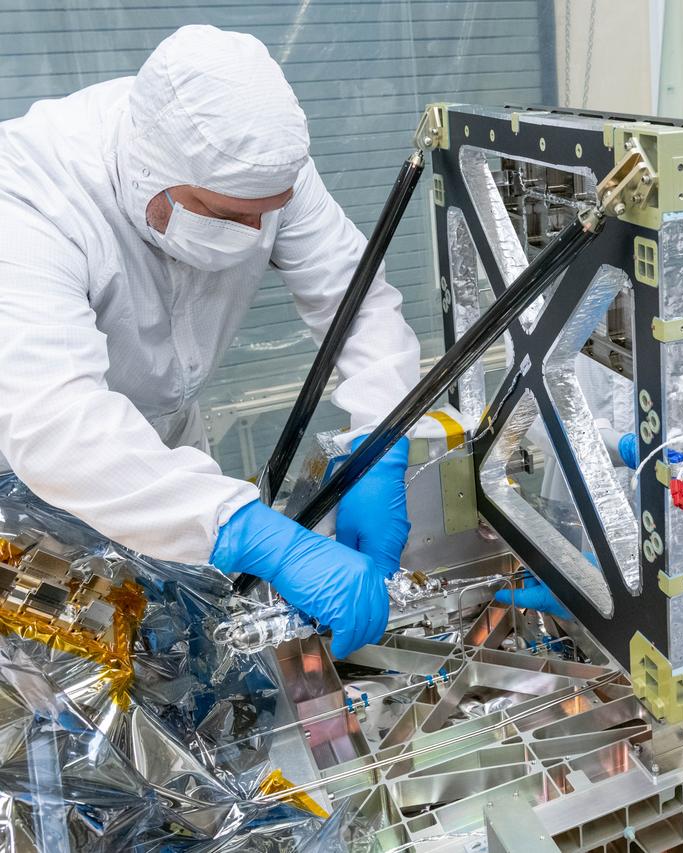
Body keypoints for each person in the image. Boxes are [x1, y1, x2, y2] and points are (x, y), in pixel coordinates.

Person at [0, 26, 417, 658]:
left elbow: (354, 302)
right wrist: (254, 535)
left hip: (168, 465)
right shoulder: (28, 199)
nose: (254, 232)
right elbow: (56, 424)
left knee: (176, 654)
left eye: (266, 212)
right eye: (225, 214)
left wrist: (379, 443)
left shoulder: (260, 170)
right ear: (151, 169)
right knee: (54, 677)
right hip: (25, 486)